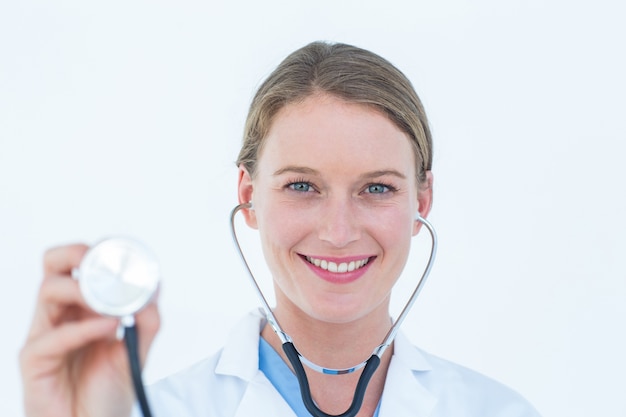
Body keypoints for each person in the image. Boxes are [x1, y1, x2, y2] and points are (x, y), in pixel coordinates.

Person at [20, 41, 541, 417]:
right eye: (302, 186)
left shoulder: (497, 410)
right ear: (247, 195)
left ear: (422, 200)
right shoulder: (152, 409)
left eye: (377, 188)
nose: (339, 232)